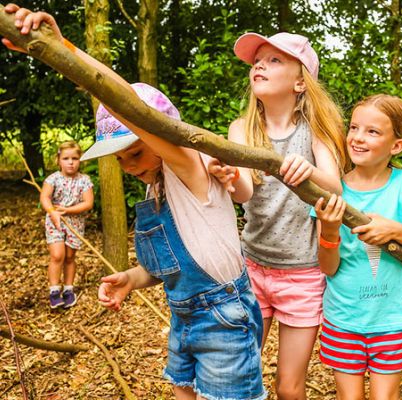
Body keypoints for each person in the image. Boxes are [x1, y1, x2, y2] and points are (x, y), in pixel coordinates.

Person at [4, 6, 266, 400]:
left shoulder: (187, 169)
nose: (128, 166)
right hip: (184, 319)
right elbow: (170, 265)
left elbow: (126, 101)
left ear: (162, 137)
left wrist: (61, 50)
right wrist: (132, 278)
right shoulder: (155, 187)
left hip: (223, 320)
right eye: (119, 159)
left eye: (136, 153)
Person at [209, 32, 347, 399]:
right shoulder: (242, 129)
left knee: (289, 388)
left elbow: (334, 187)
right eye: (257, 61)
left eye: (274, 61)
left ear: (301, 82)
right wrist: (229, 177)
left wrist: (305, 168)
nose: (259, 65)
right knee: (239, 374)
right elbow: (245, 193)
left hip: (302, 275)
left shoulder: (314, 130)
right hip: (251, 269)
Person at [313, 94, 402, 400]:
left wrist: (396, 230)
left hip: (393, 318)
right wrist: (331, 230)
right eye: (355, 128)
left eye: (373, 132)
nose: (358, 138)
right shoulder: (333, 190)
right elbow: (327, 267)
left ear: (397, 145)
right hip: (343, 317)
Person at [40, 140, 94, 309]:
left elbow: (88, 203)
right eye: (66, 158)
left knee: (70, 257)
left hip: (75, 222)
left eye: (75, 158)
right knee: (57, 255)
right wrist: (53, 211)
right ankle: (55, 291)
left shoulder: (84, 180)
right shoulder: (53, 179)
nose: (70, 162)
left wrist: (68, 210)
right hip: (55, 221)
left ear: (80, 160)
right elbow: (45, 197)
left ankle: (68, 290)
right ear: (59, 160)